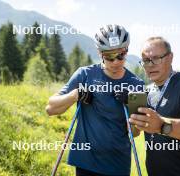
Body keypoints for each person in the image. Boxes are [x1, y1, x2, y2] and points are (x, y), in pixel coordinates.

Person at [45, 24, 144, 176]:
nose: (116, 61)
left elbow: (136, 133)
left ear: (127, 50)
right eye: (109, 56)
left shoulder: (136, 84)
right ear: (99, 53)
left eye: (121, 55)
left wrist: (132, 104)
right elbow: (50, 109)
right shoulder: (85, 74)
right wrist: (76, 94)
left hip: (117, 164)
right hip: (86, 162)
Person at [129, 37, 180, 176]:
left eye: (156, 58)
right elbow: (136, 132)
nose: (150, 65)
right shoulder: (147, 92)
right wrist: (131, 123)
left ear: (170, 57)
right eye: (145, 61)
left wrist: (161, 125)